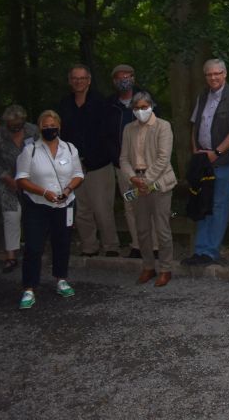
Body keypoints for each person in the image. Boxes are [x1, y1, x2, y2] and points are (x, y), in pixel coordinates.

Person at [15, 110, 84, 309]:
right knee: (34, 246)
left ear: (59, 126)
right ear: (39, 128)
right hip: (38, 205)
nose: (49, 129)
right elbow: (21, 179)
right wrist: (43, 192)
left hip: (64, 204)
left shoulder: (70, 149)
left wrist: (69, 188)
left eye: (52, 125)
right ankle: (29, 288)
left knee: (62, 242)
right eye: (45, 126)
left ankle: (61, 279)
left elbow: (78, 173)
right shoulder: (31, 150)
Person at [182, 58, 229, 267]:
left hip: (223, 161)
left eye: (217, 73)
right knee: (202, 203)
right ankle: (199, 250)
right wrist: (196, 151)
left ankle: (211, 252)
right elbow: (194, 126)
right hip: (203, 162)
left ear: (225, 74)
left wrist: (216, 152)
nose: (213, 77)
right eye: (209, 74)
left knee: (218, 205)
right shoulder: (202, 95)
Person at [57, 65, 118, 257]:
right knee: (82, 210)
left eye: (82, 78)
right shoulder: (64, 105)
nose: (78, 82)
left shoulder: (102, 102)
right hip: (73, 166)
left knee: (102, 209)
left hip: (99, 164)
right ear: (70, 81)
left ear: (89, 80)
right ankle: (89, 246)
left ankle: (111, 246)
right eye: (75, 78)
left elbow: (110, 133)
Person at [120, 92, 177, 287]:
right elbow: (123, 158)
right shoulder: (128, 129)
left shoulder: (163, 126)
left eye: (144, 107)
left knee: (162, 229)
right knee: (142, 229)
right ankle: (148, 266)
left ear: (152, 106)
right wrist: (133, 178)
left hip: (159, 184)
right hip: (136, 183)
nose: (141, 111)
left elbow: (163, 157)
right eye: (136, 108)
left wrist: (147, 180)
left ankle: (166, 269)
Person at [98, 64, 149, 256]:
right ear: (114, 81)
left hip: (146, 164)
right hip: (122, 166)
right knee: (130, 204)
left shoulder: (146, 99)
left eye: (127, 77)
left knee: (149, 203)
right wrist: (117, 159)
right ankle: (137, 245)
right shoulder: (109, 105)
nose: (124, 81)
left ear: (134, 78)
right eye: (119, 78)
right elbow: (106, 135)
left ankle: (154, 246)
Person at [0, 105, 36, 273]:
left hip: (30, 178)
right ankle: (11, 255)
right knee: (12, 214)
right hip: (5, 180)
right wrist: (8, 179)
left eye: (19, 124)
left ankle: (33, 249)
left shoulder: (33, 131)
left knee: (32, 212)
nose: (16, 127)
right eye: (12, 124)